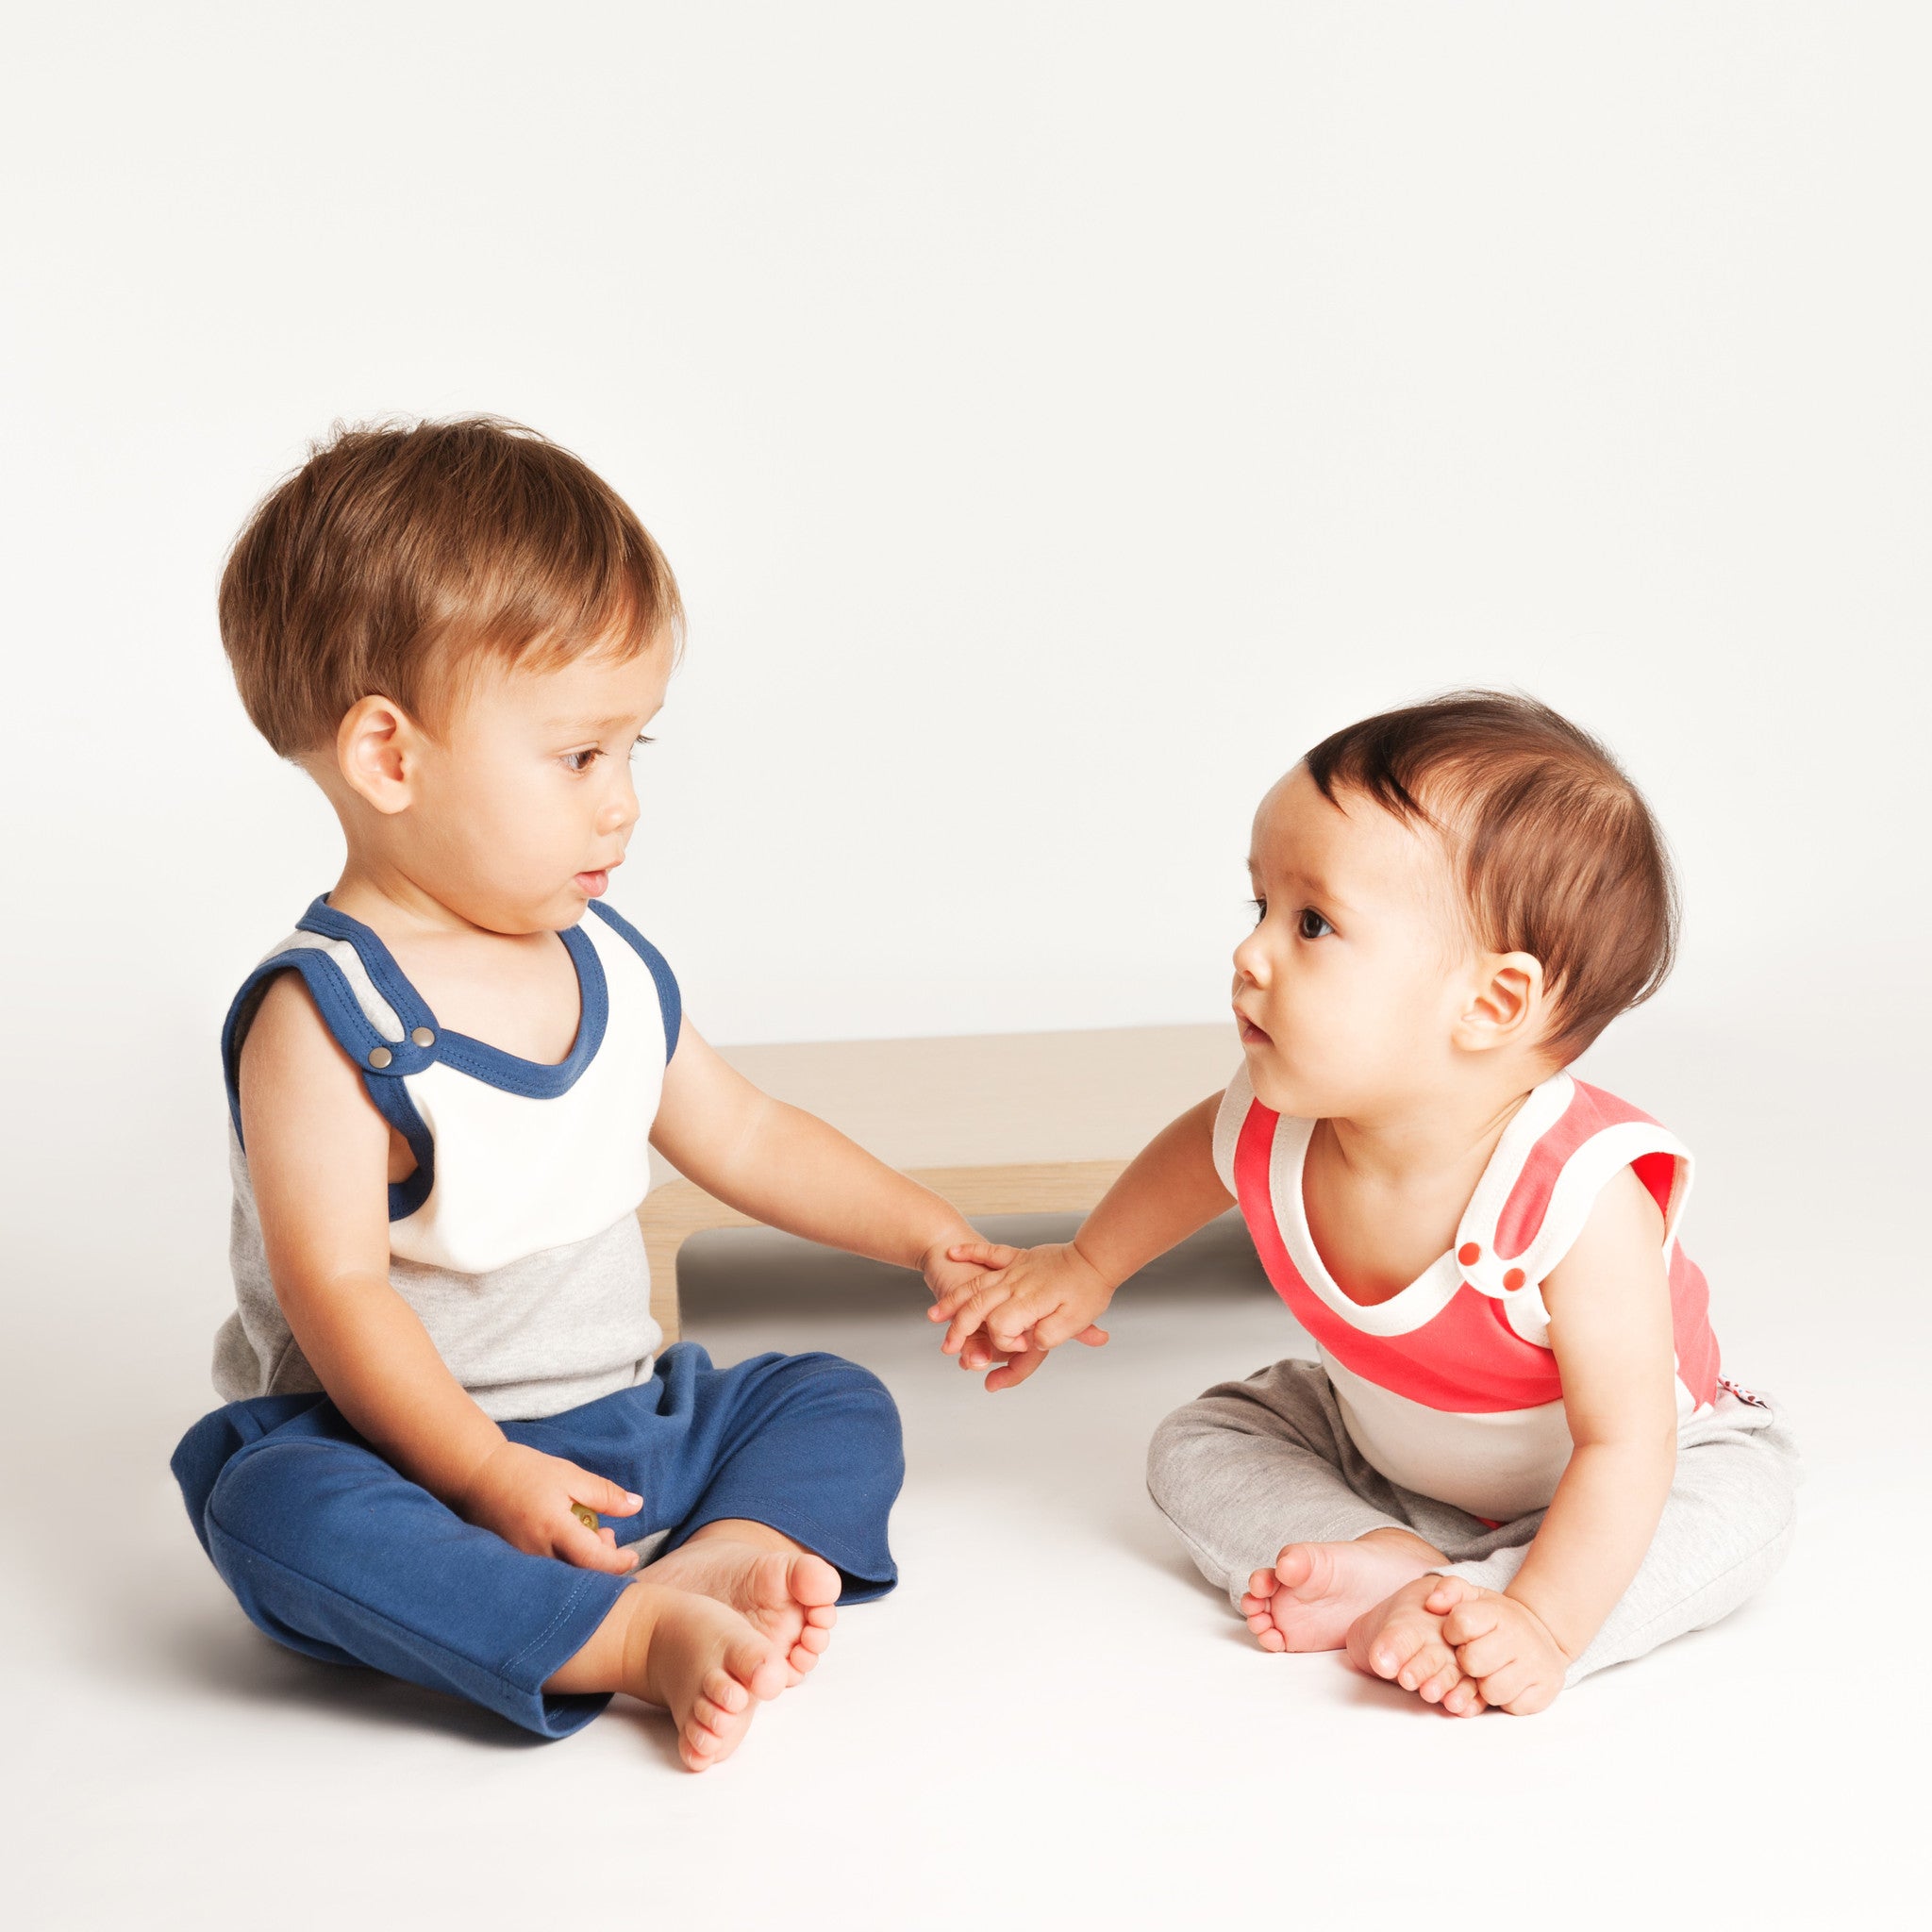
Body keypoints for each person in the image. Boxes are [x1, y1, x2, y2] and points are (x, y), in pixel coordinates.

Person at [173, 417, 992, 1768]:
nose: (620, 806)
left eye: (633, 754)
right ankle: (611, 1638)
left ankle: (719, 1558)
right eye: (577, 757)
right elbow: (341, 1297)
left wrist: (925, 1235)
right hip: (412, 1460)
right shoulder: (326, 1019)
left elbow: (747, 1132)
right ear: (391, 756)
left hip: (631, 1429)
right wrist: (486, 1475)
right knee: (276, 1509)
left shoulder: (604, 961)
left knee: (831, 1395)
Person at [932, 692, 1798, 1714]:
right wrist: (1085, 1267)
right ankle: (1386, 1561)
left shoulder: (1574, 1196)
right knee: (1200, 1438)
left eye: (1311, 923)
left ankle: (1500, 1607)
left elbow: (1624, 1442)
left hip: (1627, 1469)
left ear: (1489, 1004)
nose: (1248, 954)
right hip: (1385, 1448)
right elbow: (1192, 1159)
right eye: (1256, 908)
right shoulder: (1277, 1113)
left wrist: (1546, 1623)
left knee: (1735, 1511)